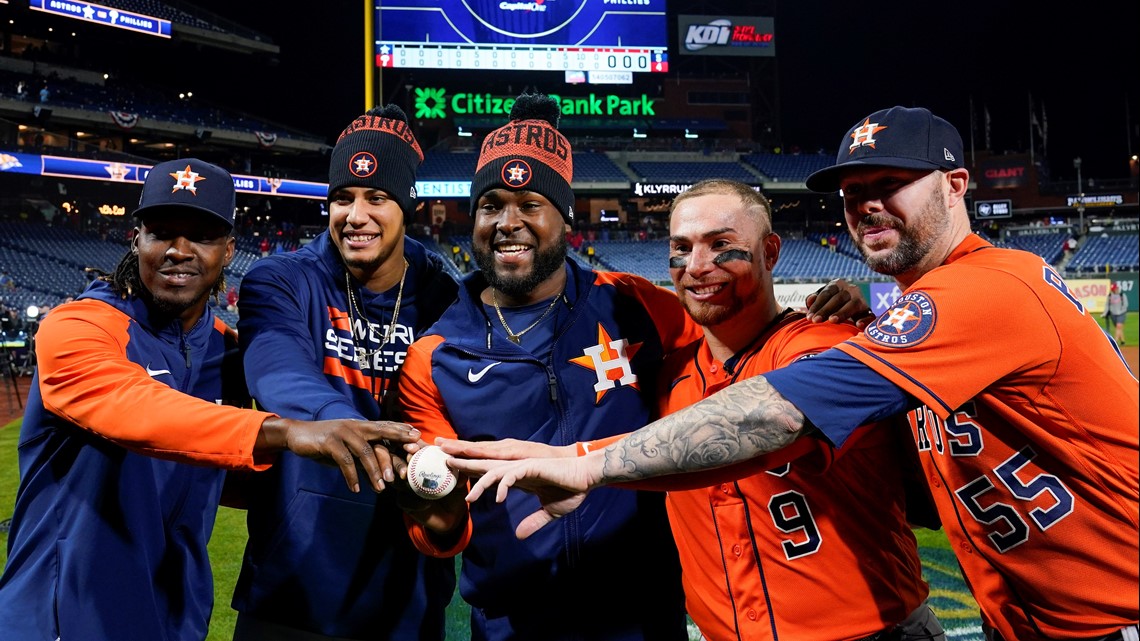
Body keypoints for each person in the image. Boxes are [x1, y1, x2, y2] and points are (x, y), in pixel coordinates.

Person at [457, 106, 1140, 641]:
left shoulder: (978, 292)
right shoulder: (883, 323)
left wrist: (585, 462)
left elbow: (781, 409)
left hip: (1109, 611)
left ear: (957, 185)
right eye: (852, 191)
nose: (866, 204)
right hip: (1024, 615)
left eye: (891, 184)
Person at [443, 179, 944, 641]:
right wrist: (563, 460)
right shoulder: (669, 373)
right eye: (681, 249)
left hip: (873, 632)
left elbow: (754, 421)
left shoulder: (829, 346)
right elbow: (654, 443)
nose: (697, 266)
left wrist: (582, 464)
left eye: (721, 245)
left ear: (770, 252)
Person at [0, 158, 423, 641]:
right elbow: (133, 407)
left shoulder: (226, 351)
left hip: (172, 620)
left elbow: (213, 466)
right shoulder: (79, 326)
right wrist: (286, 431)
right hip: (61, 618)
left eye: (200, 236)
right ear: (136, 239)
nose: (179, 250)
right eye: (162, 232)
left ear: (228, 250)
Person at [397, 93, 703, 641]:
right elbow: (442, 529)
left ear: (563, 218)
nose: (507, 223)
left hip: (645, 615)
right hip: (514, 625)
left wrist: (824, 310)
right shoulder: (435, 355)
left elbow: (736, 350)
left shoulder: (632, 304)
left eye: (530, 205)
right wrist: (431, 512)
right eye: (491, 205)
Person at [231, 105, 460, 641]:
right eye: (342, 197)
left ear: (410, 205)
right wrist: (338, 423)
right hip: (293, 592)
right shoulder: (281, 279)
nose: (355, 215)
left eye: (376, 198)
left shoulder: (448, 297)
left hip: (408, 593)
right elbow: (275, 365)